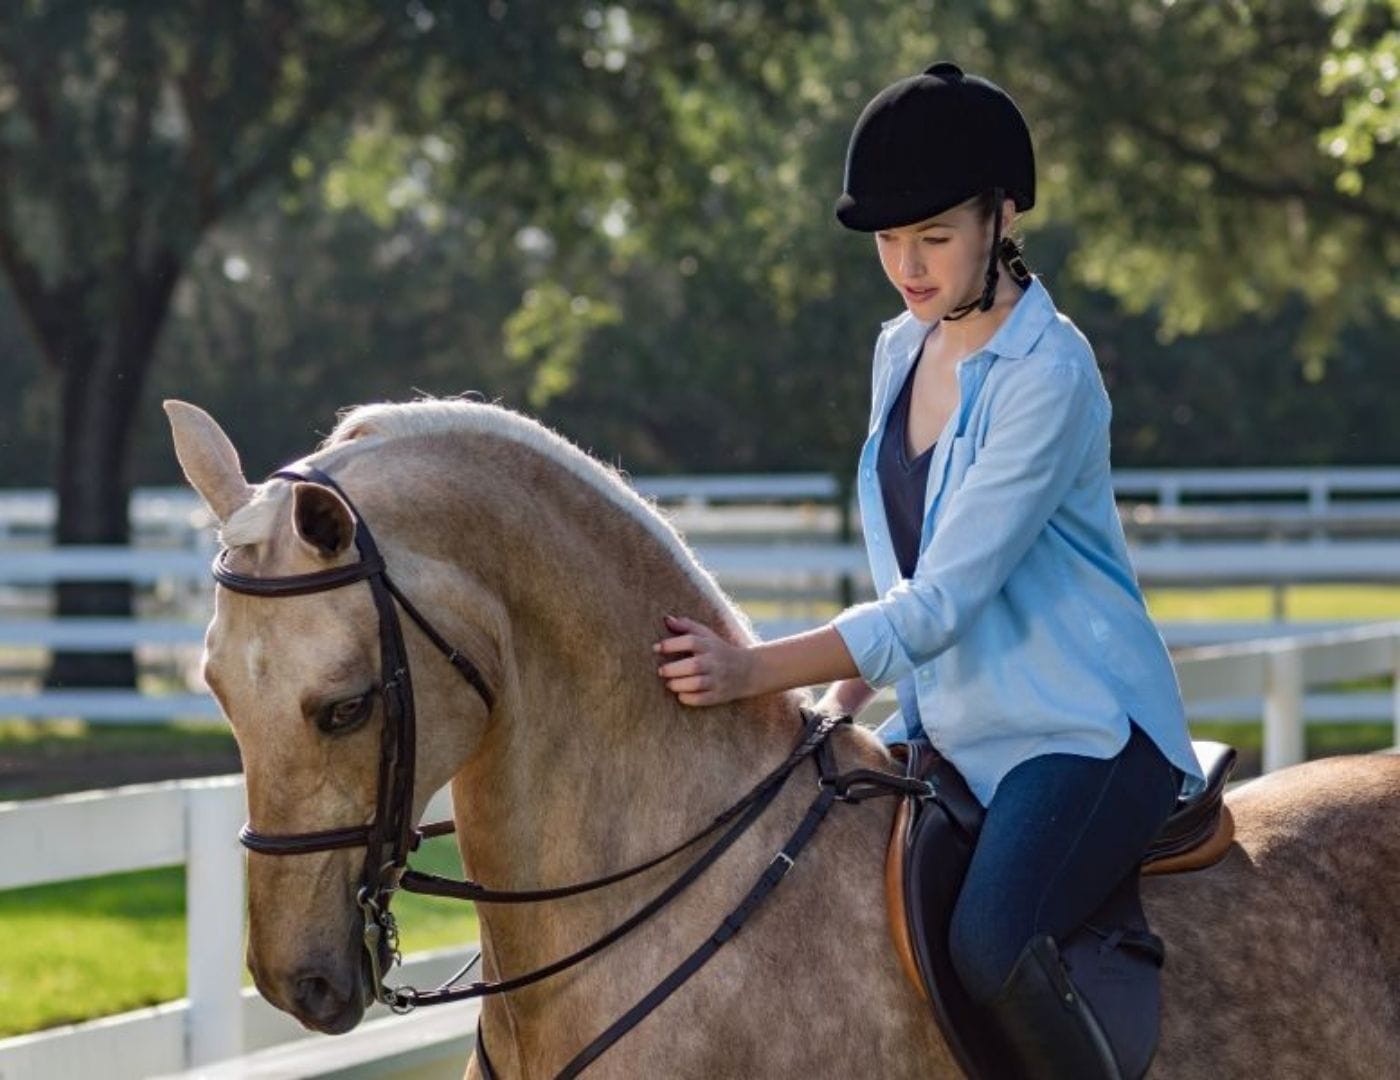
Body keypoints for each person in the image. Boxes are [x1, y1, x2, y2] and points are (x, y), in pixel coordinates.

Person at [653, 61, 1206, 1079]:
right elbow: (908, 560)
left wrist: (747, 671)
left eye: (933, 237)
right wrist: (840, 698)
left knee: (989, 947)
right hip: (948, 725)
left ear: (1000, 218)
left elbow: (943, 600)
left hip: (1077, 734)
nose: (907, 266)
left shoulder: (1050, 373)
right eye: (887, 240)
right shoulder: (897, 350)